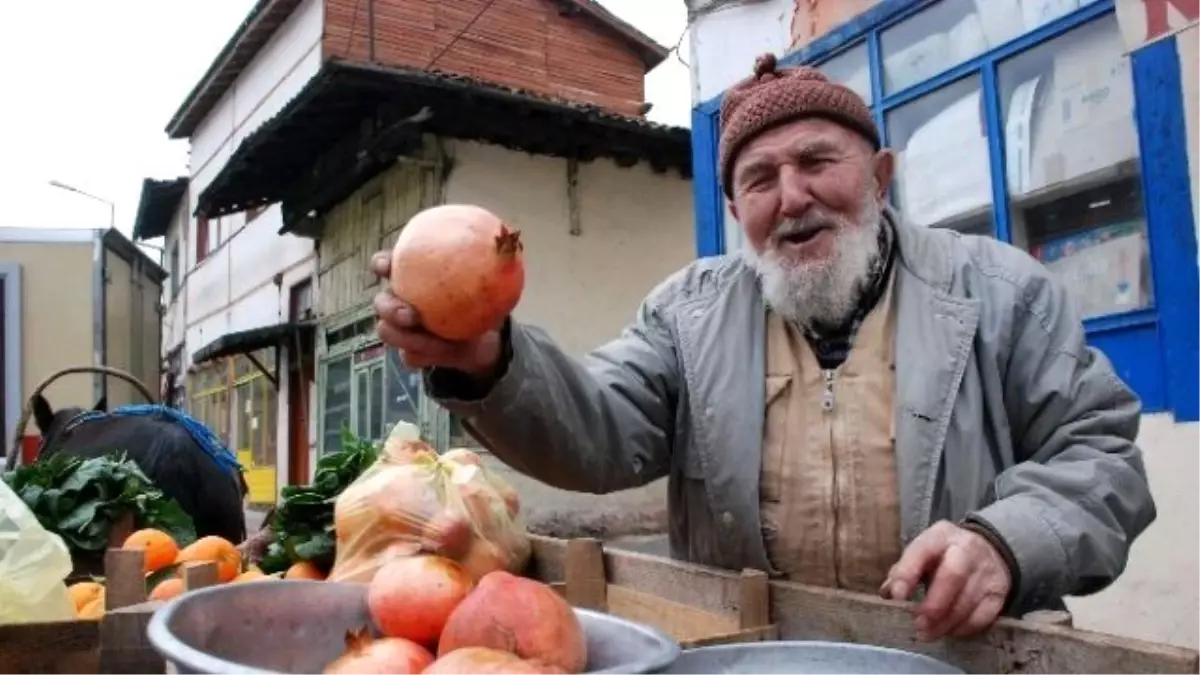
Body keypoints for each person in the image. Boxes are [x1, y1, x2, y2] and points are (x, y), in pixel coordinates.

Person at [369, 53, 1155, 641]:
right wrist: (487, 356)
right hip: (755, 657)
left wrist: (1006, 541)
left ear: (879, 175)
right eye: (760, 178)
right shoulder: (687, 313)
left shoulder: (1002, 291)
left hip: (961, 657)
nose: (792, 197)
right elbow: (600, 428)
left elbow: (1102, 459)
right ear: (738, 206)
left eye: (817, 162)